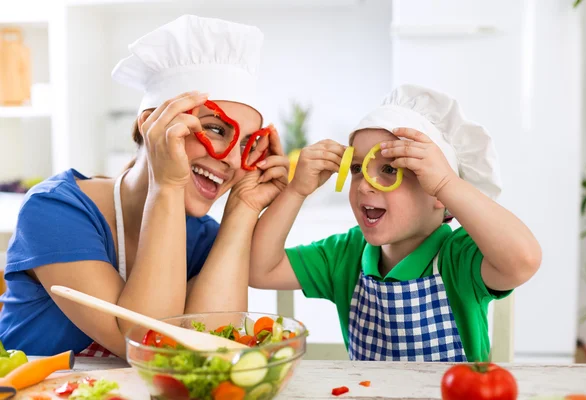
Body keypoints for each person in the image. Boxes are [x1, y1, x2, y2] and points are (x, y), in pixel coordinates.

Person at [0, 15, 289, 358]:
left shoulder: (205, 238)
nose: (234, 162)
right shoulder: (54, 211)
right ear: (150, 124)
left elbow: (211, 351)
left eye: (246, 145)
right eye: (215, 129)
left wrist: (245, 208)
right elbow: (145, 344)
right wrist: (166, 185)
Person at [249, 84, 542, 362]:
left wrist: (447, 183)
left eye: (389, 169)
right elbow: (258, 269)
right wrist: (296, 190)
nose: (365, 185)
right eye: (357, 169)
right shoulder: (346, 254)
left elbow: (523, 260)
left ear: (439, 193)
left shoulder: (459, 257)